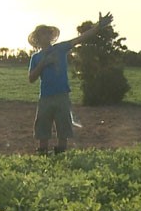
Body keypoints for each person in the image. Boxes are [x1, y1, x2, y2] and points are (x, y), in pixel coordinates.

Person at [28, 12, 112, 155]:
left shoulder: (60, 48)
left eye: (48, 33)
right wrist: (43, 63)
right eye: (42, 34)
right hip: (45, 97)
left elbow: (80, 38)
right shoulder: (36, 58)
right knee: (43, 129)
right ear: (37, 38)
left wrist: (97, 27)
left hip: (62, 95)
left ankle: (61, 152)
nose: (46, 36)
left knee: (63, 127)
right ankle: (42, 153)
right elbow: (31, 79)